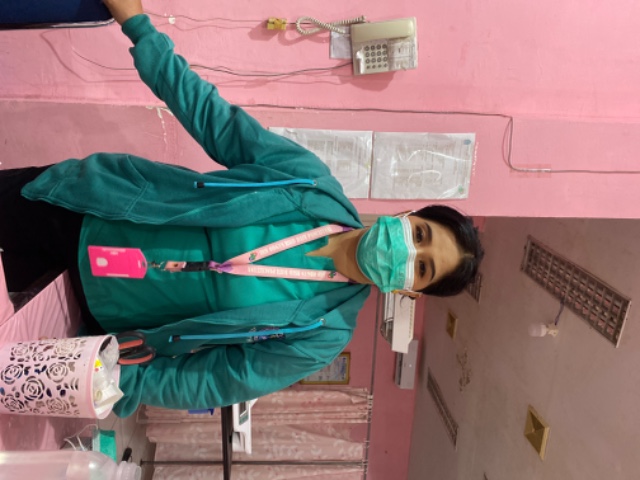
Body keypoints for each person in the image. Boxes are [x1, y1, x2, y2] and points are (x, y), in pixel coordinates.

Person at [0, 0, 483, 417]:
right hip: (82, 209)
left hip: (86, 319)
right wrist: (140, 28)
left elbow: (214, 381)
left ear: (411, 291)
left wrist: (112, 379)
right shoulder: (309, 182)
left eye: (422, 267)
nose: (406, 251)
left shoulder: (322, 333)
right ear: (407, 217)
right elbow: (215, 121)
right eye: (420, 235)